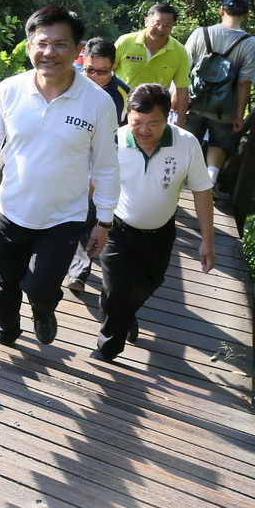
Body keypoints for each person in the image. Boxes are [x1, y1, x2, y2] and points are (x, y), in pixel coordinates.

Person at [0, 6, 119, 347]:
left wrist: (104, 220)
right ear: (29, 47)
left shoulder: (98, 102)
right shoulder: (10, 90)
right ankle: (7, 332)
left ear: (77, 50)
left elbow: (105, 165)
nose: (49, 53)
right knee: (5, 284)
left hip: (64, 217)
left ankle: (43, 309)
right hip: (12, 210)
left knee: (41, 288)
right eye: (42, 43)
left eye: (60, 45)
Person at [92, 83, 215, 362]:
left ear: (168, 117)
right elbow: (91, 182)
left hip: (160, 233)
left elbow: (201, 191)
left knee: (148, 284)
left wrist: (207, 241)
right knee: (114, 291)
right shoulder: (115, 140)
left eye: (153, 123)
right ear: (128, 117)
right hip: (118, 229)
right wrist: (86, 222)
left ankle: (126, 315)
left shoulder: (186, 143)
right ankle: (107, 349)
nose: (144, 130)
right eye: (137, 122)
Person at [64, 37, 130, 293]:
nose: (96, 76)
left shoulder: (123, 94)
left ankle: (78, 272)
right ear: (83, 62)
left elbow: (124, 136)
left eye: (103, 71)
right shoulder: (69, 81)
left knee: (88, 213)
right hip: (68, 159)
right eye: (90, 70)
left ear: (114, 66)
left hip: (100, 161)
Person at [183, 0, 255, 187]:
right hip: (225, 105)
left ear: (222, 10)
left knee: (187, 139)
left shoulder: (201, 33)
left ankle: (179, 177)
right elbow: (244, 82)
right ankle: (210, 179)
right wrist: (238, 115)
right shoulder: (250, 43)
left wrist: (177, 96)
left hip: (194, 99)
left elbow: (183, 66)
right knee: (219, 142)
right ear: (246, 15)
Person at [114, 3, 191, 127]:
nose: (161, 28)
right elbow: (105, 71)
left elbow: (182, 88)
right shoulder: (125, 42)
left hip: (154, 114)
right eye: (156, 23)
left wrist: (181, 122)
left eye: (167, 25)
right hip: (120, 107)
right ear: (146, 21)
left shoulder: (179, 51)